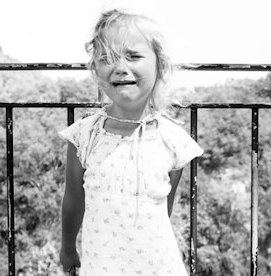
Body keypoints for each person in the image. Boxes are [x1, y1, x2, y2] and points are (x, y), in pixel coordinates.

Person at [58, 9, 203, 276]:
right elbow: (73, 198)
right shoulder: (83, 137)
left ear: (159, 65)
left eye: (133, 56)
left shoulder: (172, 141)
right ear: (96, 70)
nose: (120, 67)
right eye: (106, 58)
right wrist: (67, 247)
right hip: (102, 266)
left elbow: (164, 211)